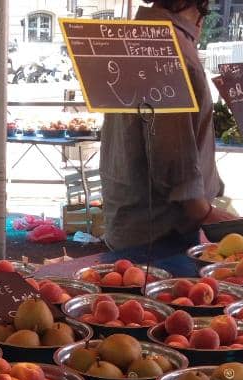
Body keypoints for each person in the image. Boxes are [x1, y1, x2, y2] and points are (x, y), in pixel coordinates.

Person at [99, 0, 231, 262]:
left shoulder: (134, 35)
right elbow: (172, 152)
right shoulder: (169, 46)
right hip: (163, 233)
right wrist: (204, 212)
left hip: (129, 221)